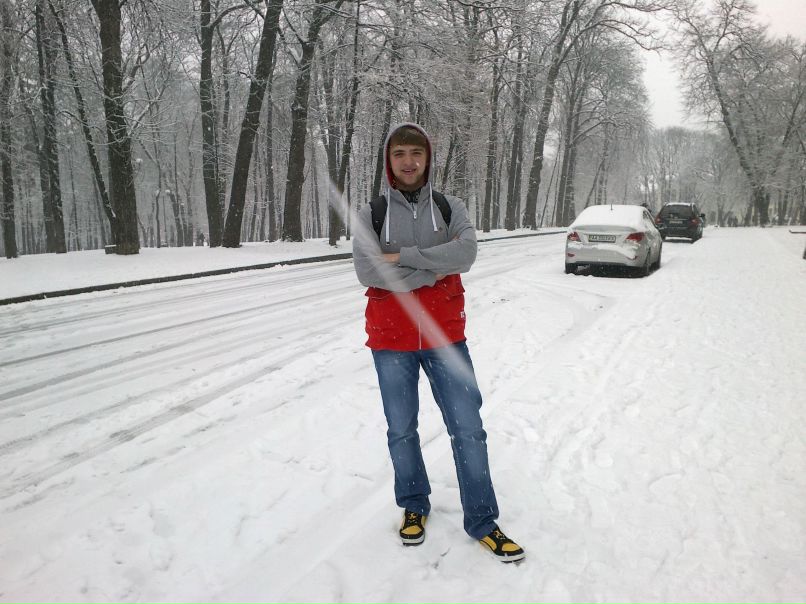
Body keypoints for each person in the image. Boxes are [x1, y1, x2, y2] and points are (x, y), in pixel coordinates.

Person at [352, 123, 525, 563]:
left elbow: (464, 254)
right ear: (388, 161)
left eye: (416, 153)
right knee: (402, 429)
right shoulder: (371, 213)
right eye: (399, 154)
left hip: (446, 336)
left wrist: (405, 261)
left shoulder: (451, 207)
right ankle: (413, 505)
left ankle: (483, 520)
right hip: (391, 340)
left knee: (469, 429)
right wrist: (435, 268)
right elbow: (369, 272)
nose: (408, 161)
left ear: (428, 158)